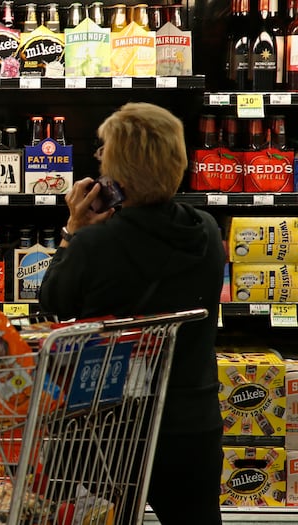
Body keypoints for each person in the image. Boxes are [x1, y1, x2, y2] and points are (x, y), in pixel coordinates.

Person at [39, 102, 224, 524]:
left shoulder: (93, 245)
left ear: (115, 174)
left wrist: (73, 229)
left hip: (106, 432)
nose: (98, 157)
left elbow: (52, 304)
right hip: (190, 423)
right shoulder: (208, 232)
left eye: (103, 151)